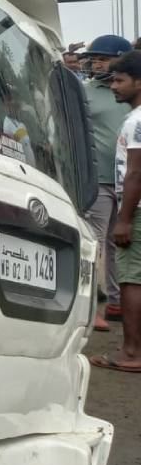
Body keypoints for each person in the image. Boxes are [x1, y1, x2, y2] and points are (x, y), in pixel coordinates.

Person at [82, 34, 133, 331]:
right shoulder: (86, 90)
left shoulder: (128, 93)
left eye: (103, 58)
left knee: (119, 245)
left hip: (127, 182)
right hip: (99, 179)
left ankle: (116, 303)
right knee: (95, 245)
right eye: (94, 58)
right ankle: (91, 310)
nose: (96, 62)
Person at [98, 50, 141, 373]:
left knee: (130, 281)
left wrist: (124, 219)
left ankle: (131, 352)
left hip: (136, 210)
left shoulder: (137, 121)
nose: (113, 86)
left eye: (120, 80)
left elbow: (136, 172)